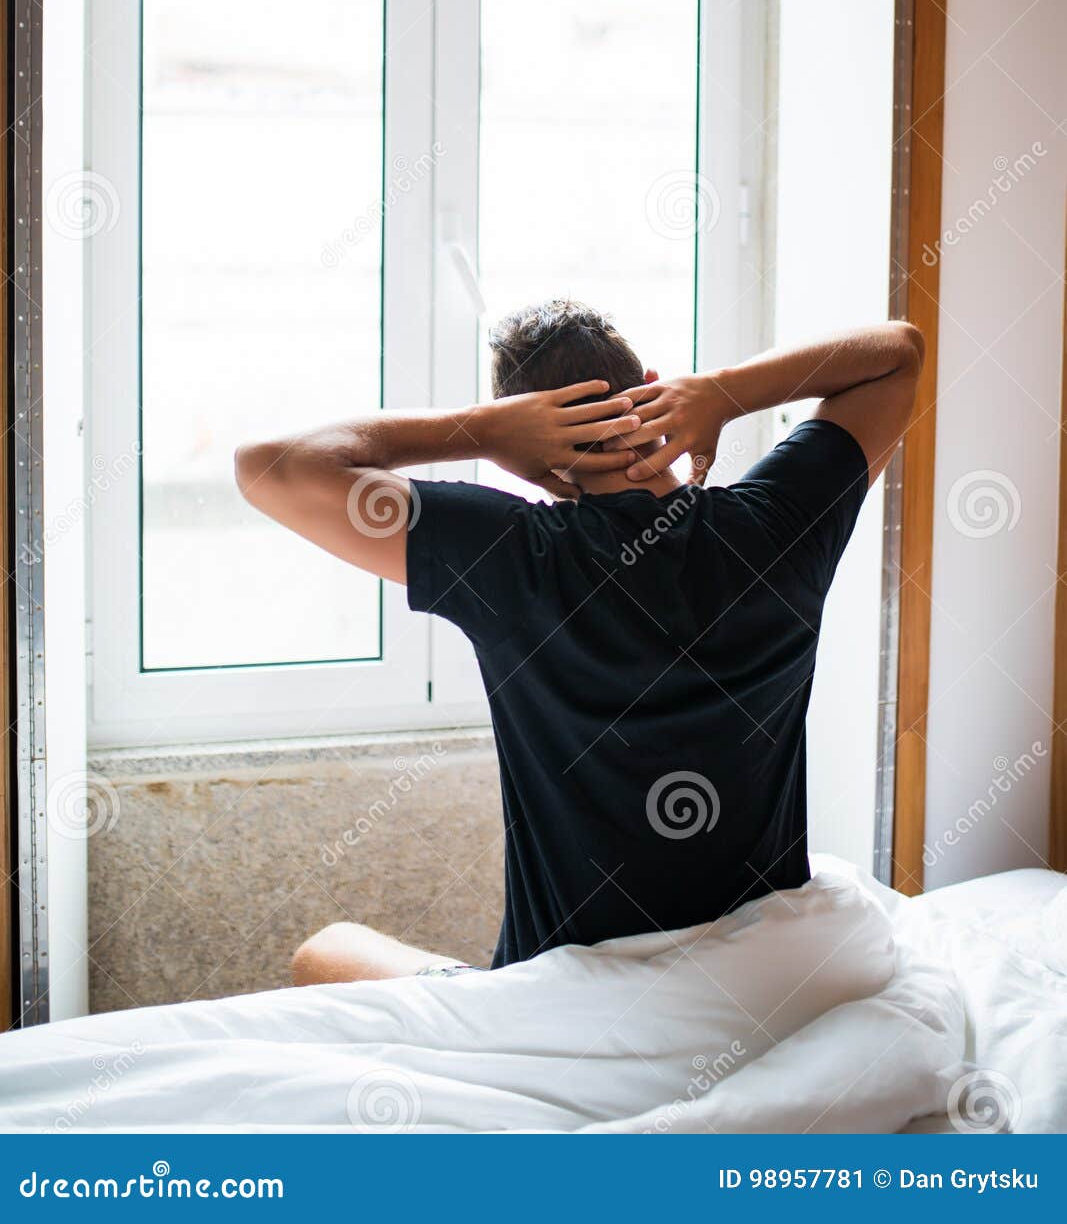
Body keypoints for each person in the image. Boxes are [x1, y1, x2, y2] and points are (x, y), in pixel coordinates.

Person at [234, 300, 924, 987]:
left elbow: (269, 466)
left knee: (326, 950)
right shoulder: (779, 525)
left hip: (564, 997)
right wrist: (721, 394)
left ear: (521, 445)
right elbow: (896, 352)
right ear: (649, 383)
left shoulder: (513, 560)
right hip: (760, 976)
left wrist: (479, 429)